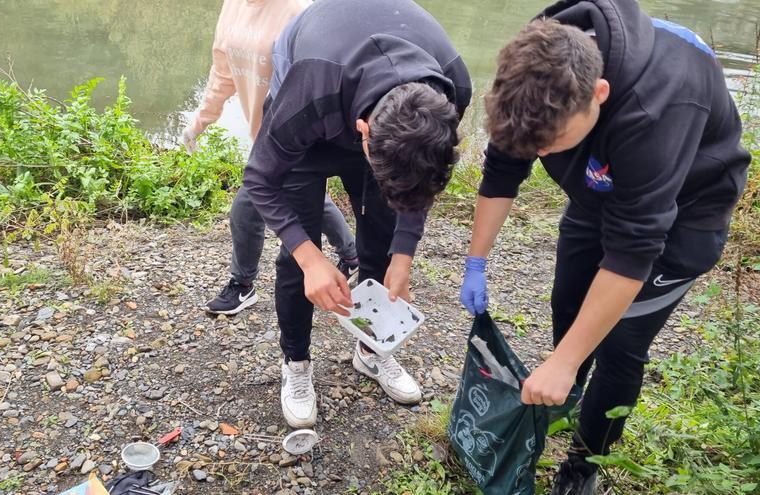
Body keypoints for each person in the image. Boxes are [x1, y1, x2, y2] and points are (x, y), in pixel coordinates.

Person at [459, 0, 750, 493]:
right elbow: (503, 168)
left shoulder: (657, 106)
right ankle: (566, 396)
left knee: (620, 344)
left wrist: (566, 359)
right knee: (568, 306)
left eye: (549, 144)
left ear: (599, 93)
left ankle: (584, 462)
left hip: (684, 214)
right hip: (599, 191)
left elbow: (634, 249)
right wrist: (476, 260)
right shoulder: (532, 74)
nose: (539, 155)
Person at [244, 0, 472, 428]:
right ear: (363, 133)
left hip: (368, 102)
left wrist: (403, 254)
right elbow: (259, 178)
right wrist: (311, 258)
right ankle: (296, 363)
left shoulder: (451, 88)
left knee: (383, 243)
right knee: (298, 257)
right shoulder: (309, 91)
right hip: (318, 103)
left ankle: (370, 350)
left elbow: (421, 180)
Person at [181, 0, 360, 316]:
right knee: (311, 200)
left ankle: (243, 284)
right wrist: (199, 121)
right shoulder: (233, 6)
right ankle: (352, 255)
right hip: (263, 134)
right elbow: (223, 73)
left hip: (298, 132)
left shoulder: (299, 9)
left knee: (245, 209)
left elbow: (324, 75)